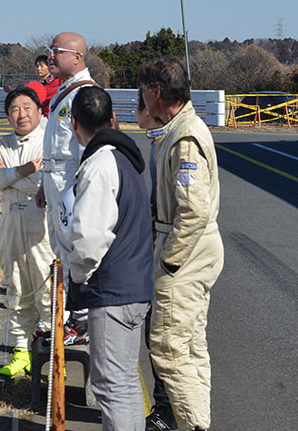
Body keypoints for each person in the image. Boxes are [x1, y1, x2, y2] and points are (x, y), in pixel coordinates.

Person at [58, 86, 154, 430]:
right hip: (134, 285)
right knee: (124, 383)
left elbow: (90, 238)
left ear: (73, 123)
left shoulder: (99, 165)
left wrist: (79, 275)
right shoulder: (126, 159)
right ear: (112, 118)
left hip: (112, 291)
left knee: (112, 387)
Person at [140, 56, 224, 431]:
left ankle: (193, 426)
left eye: (144, 92)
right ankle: (199, 421)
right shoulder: (178, 127)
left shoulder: (185, 136)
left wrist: (168, 264)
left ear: (157, 93)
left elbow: (193, 211)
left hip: (184, 250)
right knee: (190, 345)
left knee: (169, 347)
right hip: (192, 247)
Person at [0, 85, 55, 376]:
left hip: (42, 223)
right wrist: (22, 171)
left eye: (27, 108)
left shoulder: (50, 142)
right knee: (16, 287)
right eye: (14, 109)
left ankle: (51, 354)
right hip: (11, 221)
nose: (21, 114)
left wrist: (9, 176)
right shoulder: (1, 143)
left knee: (47, 287)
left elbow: (46, 184)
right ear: (7, 117)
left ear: (39, 111)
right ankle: (21, 352)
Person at [35, 31, 97, 346]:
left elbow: (91, 149)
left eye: (56, 51)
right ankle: (70, 318)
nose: (50, 57)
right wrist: (46, 182)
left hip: (73, 180)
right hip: (56, 177)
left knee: (77, 251)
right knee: (62, 251)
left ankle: (82, 321)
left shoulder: (84, 93)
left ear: (76, 57)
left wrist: (79, 191)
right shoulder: (65, 90)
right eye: (50, 50)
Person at [136, 89, 179, 431]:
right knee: (157, 333)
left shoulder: (178, 141)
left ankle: (169, 410)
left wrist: (169, 263)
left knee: (165, 335)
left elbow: (190, 213)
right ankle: (165, 406)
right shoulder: (158, 141)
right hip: (158, 248)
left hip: (171, 259)